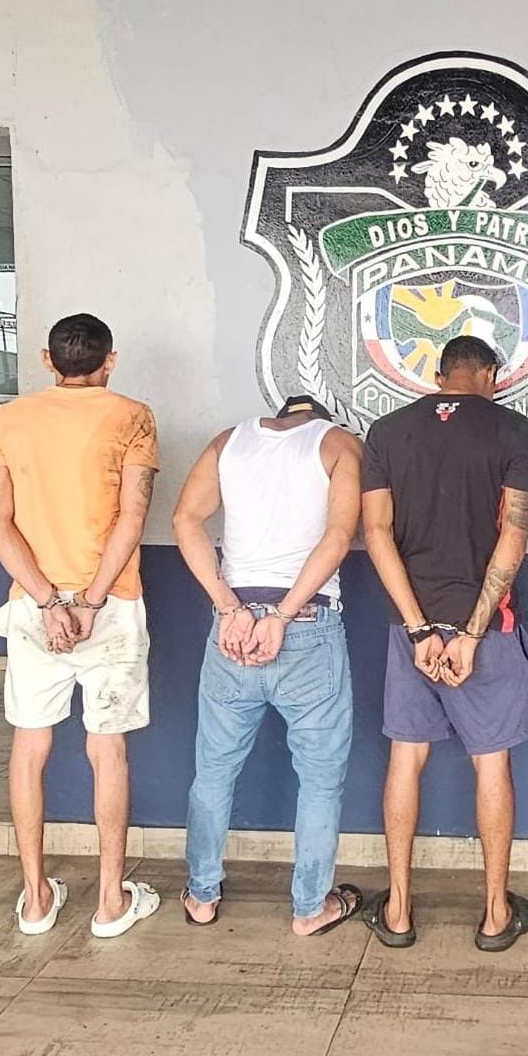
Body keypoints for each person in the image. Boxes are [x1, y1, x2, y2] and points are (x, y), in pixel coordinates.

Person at [0, 313, 160, 939]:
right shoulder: (133, 416)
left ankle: (35, 899)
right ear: (109, 361)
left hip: (34, 609)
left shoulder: (9, 420)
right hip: (112, 604)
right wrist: (89, 600)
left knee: (30, 747)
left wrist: (48, 601)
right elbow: (131, 519)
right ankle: (110, 901)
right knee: (106, 749)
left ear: (46, 360)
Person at [360, 335, 528, 951]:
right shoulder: (512, 430)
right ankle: (494, 915)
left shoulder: (387, 431)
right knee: (491, 763)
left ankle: (399, 911)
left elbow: (376, 533)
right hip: (487, 632)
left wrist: (418, 628)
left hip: (408, 631)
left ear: (440, 376)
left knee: (405, 758)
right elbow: (513, 535)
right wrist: (470, 632)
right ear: (489, 374)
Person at [171, 395, 365, 935]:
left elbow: (185, 519)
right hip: (306, 624)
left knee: (213, 771)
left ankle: (202, 896)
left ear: (279, 416)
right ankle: (310, 908)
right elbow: (339, 536)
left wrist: (228, 606)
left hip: (233, 628)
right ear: (319, 418)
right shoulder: (339, 444)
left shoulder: (228, 442)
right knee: (320, 781)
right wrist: (280, 615)